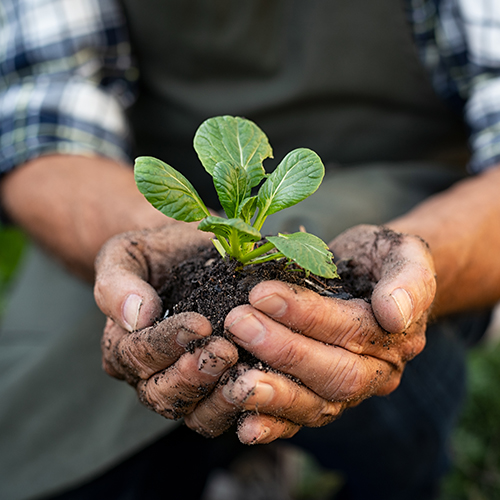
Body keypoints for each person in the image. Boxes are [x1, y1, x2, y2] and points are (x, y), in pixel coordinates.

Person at [1, 0, 500, 499]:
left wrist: (418, 270)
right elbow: (40, 121)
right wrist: (148, 239)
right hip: (133, 203)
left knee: (371, 382)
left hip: (407, 195)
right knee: (57, 430)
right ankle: (236, 463)